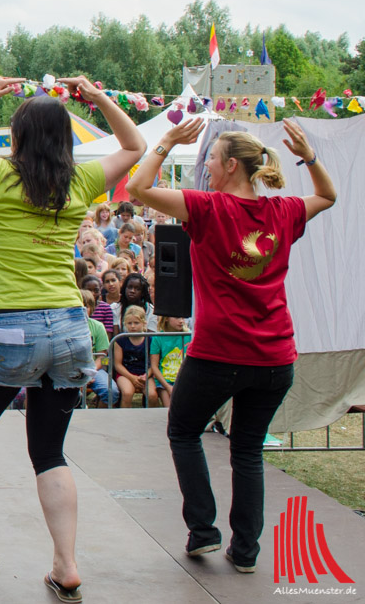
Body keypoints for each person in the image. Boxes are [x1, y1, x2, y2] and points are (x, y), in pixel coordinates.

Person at [0, 73, 143, 599]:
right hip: (68, 325)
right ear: (65, 139)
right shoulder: (81, 182)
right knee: (49, 452)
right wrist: (98, 96)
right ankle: (66, 564)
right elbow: (135, 145)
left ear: (16, 138)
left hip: (12, 324)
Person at [127, 117, 334, 573]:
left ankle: (203, 532)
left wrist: (165, 142)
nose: (207, 168)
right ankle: (245, 553)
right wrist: (312, 158)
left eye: (212, 160)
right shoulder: (283, 211)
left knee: (183, 431)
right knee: (247, 450)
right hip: (276, 356)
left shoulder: (207, 208)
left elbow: (138, 188)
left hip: (219, 353)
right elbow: (328, 196)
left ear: (233, 167)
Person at [148, 316, 190, 408]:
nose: (181, 321)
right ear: (166, 319)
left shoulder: (189, 335)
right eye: (177, 318)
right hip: (165, 380)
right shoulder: (158, 338)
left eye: (183, 318)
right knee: (169, 409)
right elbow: (154, 366)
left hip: (183, 378)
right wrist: (167, 386)